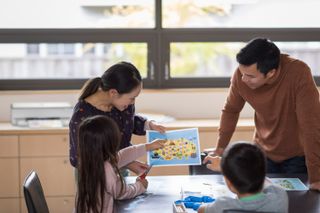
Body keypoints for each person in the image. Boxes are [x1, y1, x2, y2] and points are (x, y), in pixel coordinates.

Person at [205, 38, 320, 190]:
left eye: (251, 76)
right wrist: (220, 148)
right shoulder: (242, 75)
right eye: (241, 73)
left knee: (296, 204)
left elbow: (310, 125)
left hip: (297, 155)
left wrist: (316, 178)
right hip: (262, 152)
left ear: (271, 73)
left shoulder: (298, 73)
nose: (243, 79)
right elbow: (231, 110)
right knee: (261, 200)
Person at [69, 61, 165, 175]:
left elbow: (127, 121)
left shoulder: (121, 104)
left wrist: (149, 124)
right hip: (93, 177)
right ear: (113, 92)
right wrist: (128, 163)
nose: (133, 102)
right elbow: (83, 159)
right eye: (132, 98)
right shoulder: (82, 116)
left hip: (120, 168)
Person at [76, 115, 165, 213]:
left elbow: (122, 155)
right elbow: (122, 192)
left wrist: (148, 146)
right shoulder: (106, 169)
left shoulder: (89, 160)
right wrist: (140, 185)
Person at [198, 142, 288, 213]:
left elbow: (200, 210)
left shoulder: (222, 206)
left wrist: (227, 168)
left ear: (229, 183)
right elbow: (263, 179)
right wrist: (230, 169)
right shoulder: (279, 197)